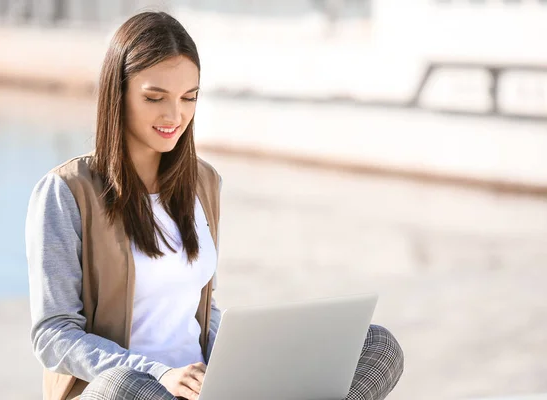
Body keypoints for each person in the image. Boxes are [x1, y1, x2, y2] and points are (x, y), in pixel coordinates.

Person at [25, 11, 404, 400]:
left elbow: (202, 311)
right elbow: (53, 335)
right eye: (155, 98)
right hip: (124, 388)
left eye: (189, 97)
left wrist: (238, 363)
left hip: (201, 390)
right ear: (117, 93)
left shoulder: (203, 183)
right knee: (125, 387)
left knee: (377, 346)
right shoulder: (66, 192)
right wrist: (159, 373)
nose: (175, 116)